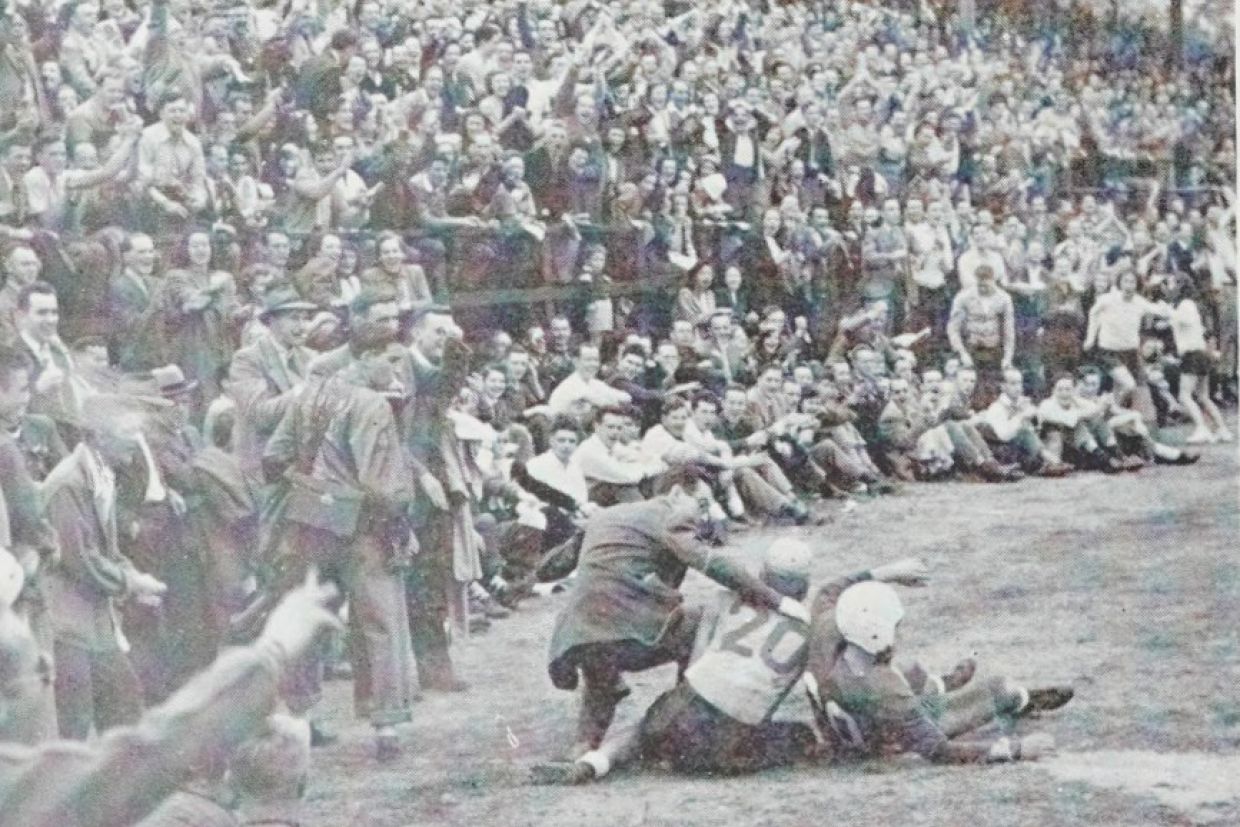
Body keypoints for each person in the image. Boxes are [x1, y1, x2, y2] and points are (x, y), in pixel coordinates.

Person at [0, 571, 342, 827]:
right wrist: (273, 650)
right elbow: (152, 751)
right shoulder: (20, 790)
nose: (49, 674)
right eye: (40, 670)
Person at [546, 485, 812, 758]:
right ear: (678, 491)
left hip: (576, 636)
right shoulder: (674, 513)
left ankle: (585, 744)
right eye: (704, 505)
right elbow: (707, 561)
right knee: (700, 618)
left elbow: (551, 568)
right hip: (624, 630)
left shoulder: (607, 516)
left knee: (600, 644)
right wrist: (776, 600)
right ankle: (682, 715)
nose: (704, 515)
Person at [534, 538, 823, 783]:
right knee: (801, 734)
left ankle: (595, 763)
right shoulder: (809, 629)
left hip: (681, 712)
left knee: (642, 729)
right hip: (726, 739)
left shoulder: (726, 599)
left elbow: (697, 656)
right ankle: (678, 752)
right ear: (805, 585)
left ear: (763, 575)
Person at [262, 325, 418, 760]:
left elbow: (273, 458)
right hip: (364, 529)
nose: (396, 368)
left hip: (312, 524)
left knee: (311, 618)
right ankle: (386, 726)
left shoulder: (308, 395)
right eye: (390, 359)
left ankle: (301, 716)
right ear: (364, 357)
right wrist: (402, 515)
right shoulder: (372, 405)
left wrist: (311, 483)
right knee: (381, 623)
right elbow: (379, 484)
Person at [804, 567, 1074, 764]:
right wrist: (1015, 749)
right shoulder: (885, 686)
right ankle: (1022, 701)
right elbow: (938, 750)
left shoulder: (824, 630)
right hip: (882, 734)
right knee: (997, 688)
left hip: (843, 716)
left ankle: (943, 683)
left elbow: (830, 590)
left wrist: (892, 571)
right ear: (879, 632)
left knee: (910, 669)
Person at [40, 396, 169, 739]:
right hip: (67, 624)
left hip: (96, 622)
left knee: (125, 709)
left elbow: (107, 552)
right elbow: (80, 560)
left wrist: (134, 578)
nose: (134, 439)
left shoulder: (101, 475)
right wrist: (131, 583)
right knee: (75, 727)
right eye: (124, 431)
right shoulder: (68, 483)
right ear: (95, 436)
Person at [946, 265, 1015, 406]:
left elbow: (1009, 330)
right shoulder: (964, 297)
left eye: (986, 285)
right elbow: (953, 328)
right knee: (971, 390)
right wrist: (962, 353)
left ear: (993, 280)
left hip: (993, 350)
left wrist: (1008, 357)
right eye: (980, 285)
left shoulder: (1004, 298)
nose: (982, 288)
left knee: (993, 389)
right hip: (972, 349)